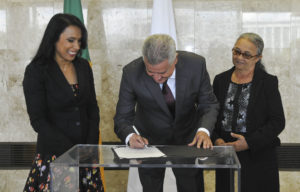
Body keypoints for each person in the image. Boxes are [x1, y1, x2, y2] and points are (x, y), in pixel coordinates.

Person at [114, 34, 219, 192]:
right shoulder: (131, 72)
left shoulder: (196, 65)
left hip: (187, 142)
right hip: (149, 144)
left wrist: (203, 131)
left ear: (175, 59)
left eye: (162, 72)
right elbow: (122, 117)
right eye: (151, 72)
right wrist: (130, 137)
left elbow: (208, 103)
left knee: (191, 187)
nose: (157, 78)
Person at [22, 13, 104, 192]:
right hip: (55, 155)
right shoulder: (36, 71)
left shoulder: (83, 66)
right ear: (54, 39)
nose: (76, 46)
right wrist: (70, 152)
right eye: (71, 40)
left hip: (85, 156)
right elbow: (38, 120)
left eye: (79, 41)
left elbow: (92, 108)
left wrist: (88, 148)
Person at [212, 32, 285, 192]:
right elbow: (212, 116)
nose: (239, 57)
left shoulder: (268, 82)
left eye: (246, 54)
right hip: (226, 152)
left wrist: (248, 143)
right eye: (236, 51)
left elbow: (277, 122)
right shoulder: (220, 80)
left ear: (258, 57)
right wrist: (216, 140)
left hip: (258, 154)